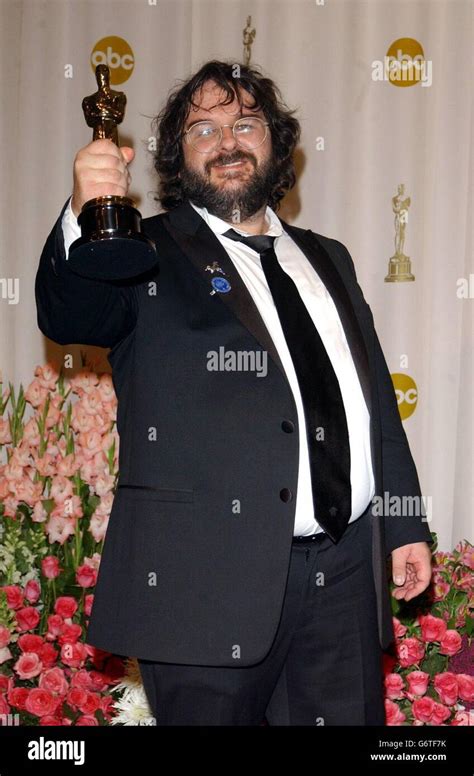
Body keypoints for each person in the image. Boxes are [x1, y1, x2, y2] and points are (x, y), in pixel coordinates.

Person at [35, 60, 433, 726]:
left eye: (245, 123)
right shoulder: (145, 251)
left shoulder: (328, 257)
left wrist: (403, 524)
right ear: (176, 155)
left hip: (342, 583)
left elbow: (371, 405)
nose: (227, 141)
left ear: (275, 142)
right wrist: (85, 215)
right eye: (203, 128)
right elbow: (69, 314)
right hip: (201, 590)